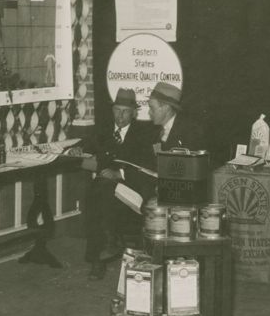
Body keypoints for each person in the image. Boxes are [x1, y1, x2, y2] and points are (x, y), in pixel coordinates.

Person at [82, 88, 155, 280]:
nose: (120, 115)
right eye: (117, 110)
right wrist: (77, 151)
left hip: (133, 188)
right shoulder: (104, 131)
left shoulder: (143, 134)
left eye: (125, 111)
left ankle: (102, 251)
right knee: (97, 194)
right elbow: (87, 147)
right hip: (106, 190)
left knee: (99, 192)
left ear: (133, 113)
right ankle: (104, 248)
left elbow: (148, 168)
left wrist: (119, 173)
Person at [146, 81, 209, 152]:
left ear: (166, 108)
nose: (149, 112)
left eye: (152, 108)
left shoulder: (190, 132)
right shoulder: (152, 131)